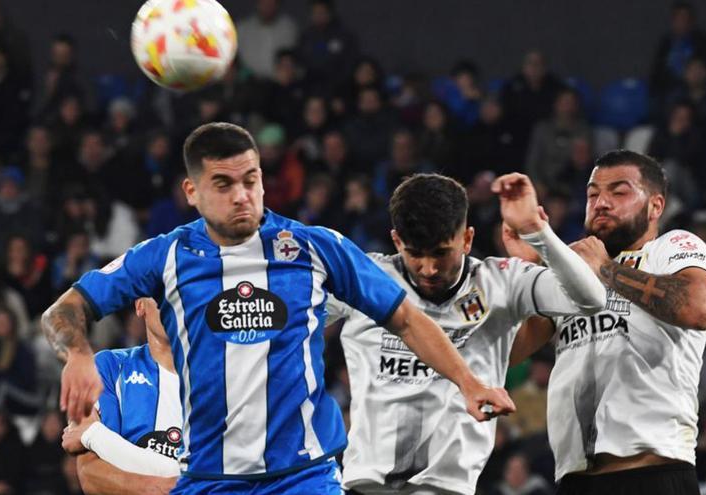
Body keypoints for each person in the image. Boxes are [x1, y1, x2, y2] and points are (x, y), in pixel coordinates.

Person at [42, 122, 511, 494]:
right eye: (223, 184)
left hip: (302, 476)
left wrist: (467, 383)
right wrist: (80, 355)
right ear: (192, 191)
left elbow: (406, 317)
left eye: (251, 180)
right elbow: (64, 311)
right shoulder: (163, 256)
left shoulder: (315, 247)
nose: (242, 195)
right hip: (209, 479)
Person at [327, 173, 606, 494]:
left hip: (448, 488)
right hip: (363, 486)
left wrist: (536, 231)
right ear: (397, 241)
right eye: (416, 253)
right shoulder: (364, 279)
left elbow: (590, 300)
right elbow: (294, 322)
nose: (429, 268)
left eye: (441, 253)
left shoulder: (501, 282)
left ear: (467, 239)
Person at [511, 150, 706, 494]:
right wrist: (522, 276)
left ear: (655, 206)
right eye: (593, 194)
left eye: (618, 192)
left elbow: (699, 307)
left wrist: (607, 270)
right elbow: (510, 352)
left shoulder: (670, 248)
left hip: (653, 473)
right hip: (575, 479)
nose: (601, 203)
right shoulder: (570, 270)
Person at [61, 298, 180, 495]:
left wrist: (94, 435)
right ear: (140, 305)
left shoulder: (226, 378)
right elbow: (91, 475)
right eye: (163, 296)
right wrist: (168, 486)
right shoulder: (107, 367)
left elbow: (210, 480)